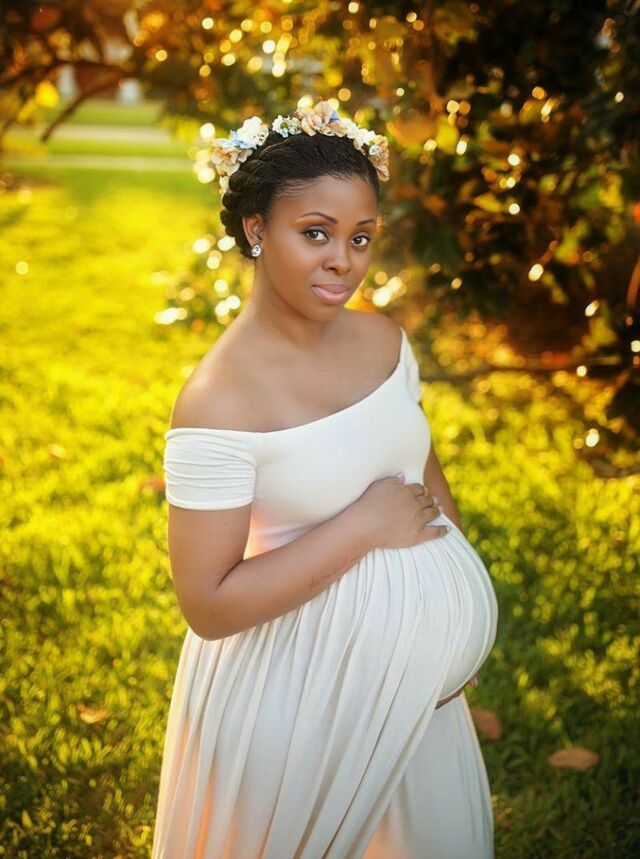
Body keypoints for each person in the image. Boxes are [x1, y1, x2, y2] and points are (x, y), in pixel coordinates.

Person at [151, 100, 499, 859]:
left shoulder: (384, 341)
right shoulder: (217, 404)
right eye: (315, 232)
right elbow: (207, 605)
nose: (344, 259)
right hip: (296, 697)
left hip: (416, 700)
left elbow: (425, 479)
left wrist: (449, 635)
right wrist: (362, 527)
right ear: (256, 229)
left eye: (360, 237)